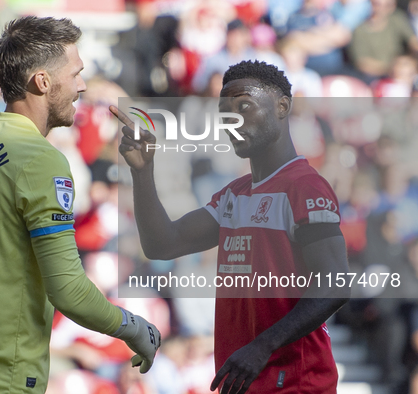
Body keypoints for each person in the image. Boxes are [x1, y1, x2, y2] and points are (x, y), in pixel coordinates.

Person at [0, 16, 161, 394]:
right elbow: (68, 289)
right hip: (2, 379)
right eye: (76, 73)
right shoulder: (40, 160)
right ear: (43, 81)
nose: (82, 85)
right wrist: (133, 327)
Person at [111, 60, 350, 393]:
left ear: (282, 106)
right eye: (225, 111)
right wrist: (142, 171)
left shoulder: (304, 188)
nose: (232, 120)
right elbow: (163, 245)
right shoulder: (233, 195)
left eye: (244, 106)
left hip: (295, 382)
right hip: (245, 380)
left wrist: (263, 346)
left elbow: (335, 284)